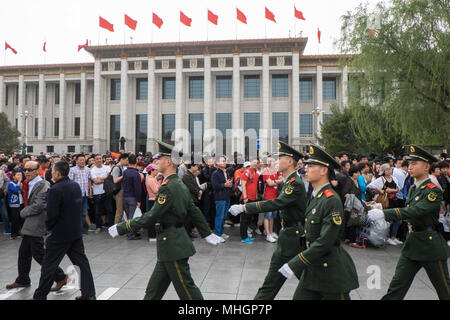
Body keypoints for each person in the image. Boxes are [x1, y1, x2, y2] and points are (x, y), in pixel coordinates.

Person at [108, 141, 221, 300]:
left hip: (172, 245)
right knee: (153, 291)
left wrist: (123, 227)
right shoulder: (177, 183)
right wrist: (206, 233)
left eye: (159, 159)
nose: (156, 163)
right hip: (169, 245)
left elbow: (152, 215)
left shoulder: (169, 187)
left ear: (168, 162)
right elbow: (193, 210)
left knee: (187, 290)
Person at [277, 145, 359, 300]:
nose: (306, 169)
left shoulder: (331, 200)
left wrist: (295, 263)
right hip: (313, 268)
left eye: (311, 166)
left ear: (324, 171)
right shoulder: (317, 196)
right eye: (306, 166)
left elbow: (325, 240)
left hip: (331, 272)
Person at [229, 141, 306, 300]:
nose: (276, 162)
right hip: (287, 236)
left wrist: (245, 208)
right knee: (271, 282)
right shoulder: (287, 180)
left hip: (294, 238)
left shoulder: (294, 183)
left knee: (309, 282)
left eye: (280, 158)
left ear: (290, 161)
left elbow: (277, 203)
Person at [371, 145, 450, 300]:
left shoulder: (432, 190)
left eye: (415, 164)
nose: (410, 167)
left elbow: (416, 211)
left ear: (426, 167)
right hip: (412, 243)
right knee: (396, 288)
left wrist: (384, 214)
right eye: (409, 164)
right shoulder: (414, 188)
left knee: (445, 291)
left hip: (430, 246)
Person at [33, 161, 96, 300]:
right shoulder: (75, 185)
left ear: (57, 173)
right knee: (82, 264)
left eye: (52, 170)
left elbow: (52, 214)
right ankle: (89, 295)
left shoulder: (55, 189)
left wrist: (49, 228)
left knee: (49, 266)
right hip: (75, 232)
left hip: (59, 234)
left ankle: (39, 296)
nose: (51, 172)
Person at [6, 161, 68, 292]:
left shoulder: (43, 184)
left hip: (37, 221)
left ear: (37, 170)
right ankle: (23, 279)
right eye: (25, 169)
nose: (26, 172)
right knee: (24, 253)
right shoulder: (27, 183)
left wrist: (22, 212)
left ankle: (60, 276)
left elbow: (39, 205)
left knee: (39, 254)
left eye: (30, 169)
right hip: (30, 222)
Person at [368, 163, 402, 245]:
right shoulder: (381, 179)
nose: (390, 171)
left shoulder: (394, 178)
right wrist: (380, 191)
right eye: (387, 169)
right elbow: (370, 186)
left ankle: (393, 237)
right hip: (386, 201)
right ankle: (387, 237)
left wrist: (391, 190)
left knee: (398, 219)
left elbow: (398, 188)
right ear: (383, 171)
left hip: (394, 200)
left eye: (390, 169)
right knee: (388, 219)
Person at [211, 156, 233, 242]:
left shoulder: (226, 172)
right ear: (218, 163)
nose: (225, 162)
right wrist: (224, 185)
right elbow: (215, 186)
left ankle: (220, 232)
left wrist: (230, 184)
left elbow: (228, 184)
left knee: (224, 216)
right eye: (223, 161)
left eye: (225, 161)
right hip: (220, 197)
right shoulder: (215, 173)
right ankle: (217, 234)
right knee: (219, 216)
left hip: (226, 196)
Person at [261, 157, 283, 243]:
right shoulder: (266, 171)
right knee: (267, 215)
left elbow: (281, 180)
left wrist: (275, 181)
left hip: (275, 196)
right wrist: (277, 181)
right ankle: (268, 234)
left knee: (273, 216)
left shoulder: (276, 171)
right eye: (272, 161)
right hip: (268, 196)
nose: (275, 162)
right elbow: (269, 183)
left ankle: (271, 232)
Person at [68, 154, 92, 233]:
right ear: (76, 161)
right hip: (76, 194)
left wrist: (90, 191)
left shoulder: (88, 169)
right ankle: (75, 228)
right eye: (81, 160)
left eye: (84, 160)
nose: (82, 161)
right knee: (76, 212)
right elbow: (70, 182)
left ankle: (81, 228)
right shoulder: (72, 170)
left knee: (84, 212)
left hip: (85, 193)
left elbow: (89, 180)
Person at [122, 154, 142, 240]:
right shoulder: (136, 173)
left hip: (125, 196)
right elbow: (137, 188)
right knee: (131, 217)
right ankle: (130, 234)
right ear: (136, 162)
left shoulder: (125, 172)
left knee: (128, 216)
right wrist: (139, 200)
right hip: (132, 197)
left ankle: (131, 232)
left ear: (128, 161)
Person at [239, 159, 260, 243]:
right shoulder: (246, 172)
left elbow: (255, 186)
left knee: (249, 218)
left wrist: (256, 196)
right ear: (250, 163)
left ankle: (246, 235)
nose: (255, 164)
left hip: (253, 198)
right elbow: (243, 185)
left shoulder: (256, 173)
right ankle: (243, 237)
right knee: (244, 219)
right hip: (246, 198)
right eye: (254, 163)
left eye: (257, 163)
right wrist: (245, 197)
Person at [90, 154, 112, 233]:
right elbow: (95, 181)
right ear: (94, 160)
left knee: (109, 210)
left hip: (107, 192)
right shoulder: (92, 170)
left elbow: (110, 178)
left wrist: (100, 179)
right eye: (97, 159)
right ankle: (98, 226)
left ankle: (110, 225)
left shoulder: (107, 167)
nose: (99, 160)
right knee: (97, 211)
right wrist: (105, 179)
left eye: (100, 158)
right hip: (97, 193)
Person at [112, 153, 128, 224]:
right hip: (119, 192)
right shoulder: (116, 168)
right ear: (122, 159)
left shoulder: (122, 167)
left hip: (122, 190)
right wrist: (124, 175)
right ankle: (116, 228)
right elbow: (115, 180)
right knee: (119, 210)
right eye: (127, 160)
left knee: (122, 210)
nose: (127, 162)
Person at [8, 169, 24, 239]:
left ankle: (19, 232)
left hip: (21, 202)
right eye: (18, 175)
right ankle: (13, 234)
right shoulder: (11, 183)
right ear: (13, 176)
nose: (20, 176)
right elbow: (14, 190)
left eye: (21, 175)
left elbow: (22, 192)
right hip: (14, 203)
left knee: (21, 218)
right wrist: (19, 182)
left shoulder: (21, 183)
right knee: (15, 219)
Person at [145, 164, 160, 241]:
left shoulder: (153, 178)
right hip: (152, 200)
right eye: (156, 170)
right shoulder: (150, 179)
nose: (157, 171)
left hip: (154, 199)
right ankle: (152, 235)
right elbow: (156, 190)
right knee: (152, 219)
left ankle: (153, 235)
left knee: (153, 218)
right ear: (152, 171)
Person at [0, 164, 10, 235]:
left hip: (0, 195)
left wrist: (5, 188)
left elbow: (7, 180)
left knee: (4, 213)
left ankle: (7, 229)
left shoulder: (1, 172)